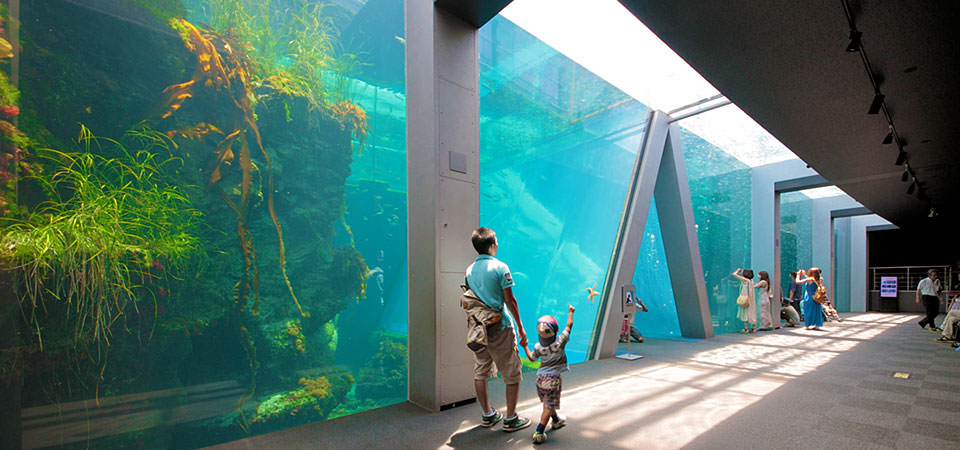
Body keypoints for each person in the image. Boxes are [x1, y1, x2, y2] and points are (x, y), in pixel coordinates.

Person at [465, 227, 531, 432]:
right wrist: (521, 328)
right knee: (511, 371)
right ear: (492, 244)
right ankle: (510, 418)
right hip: (500, 327)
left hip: (478, 329)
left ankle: (488, 414)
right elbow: (510, 300)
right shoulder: (501, 267)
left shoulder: (469, 270)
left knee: (481, 370)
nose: (498, 244)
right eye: (497, 241)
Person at [523, 305, 574, 445]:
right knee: (548, 406)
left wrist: (525, 346)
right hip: (552, 380)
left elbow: (532, 358)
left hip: (540, 379)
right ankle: (539, 432)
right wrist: (570, 312)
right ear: (556, 331)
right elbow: (569, 325)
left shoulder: (538, 347)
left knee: (547, 402)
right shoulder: (560, 342)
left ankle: (556, 420)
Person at [732, 268, 757, 333]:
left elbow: (734, 274)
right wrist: (742, 271)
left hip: (745, 299)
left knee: (745, 313)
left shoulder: (745, 280)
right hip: (751, 299)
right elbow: (747, 275)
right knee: (752, 312)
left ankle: (746, 329)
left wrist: (737, 271)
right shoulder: (751, 280)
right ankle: (754, 328)